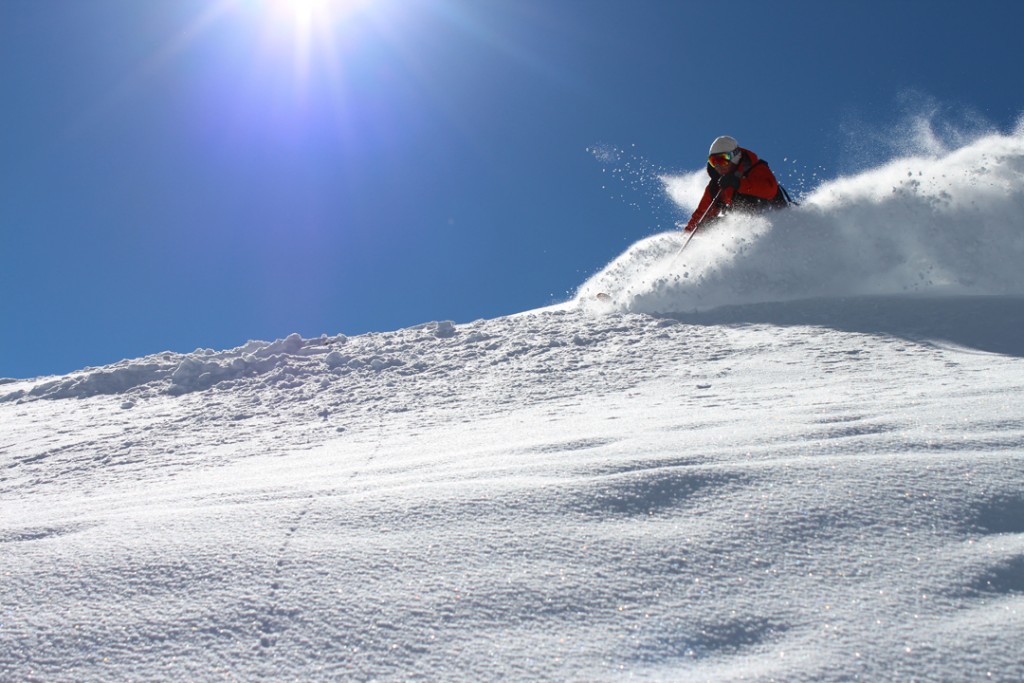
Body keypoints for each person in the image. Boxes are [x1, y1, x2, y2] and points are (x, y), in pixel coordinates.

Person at [683, 135, 789, 233]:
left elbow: (770, 190)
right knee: (711, 224)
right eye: (713, 161)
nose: (718, 166)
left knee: (742, 199)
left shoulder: (754, 168)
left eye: (722, 160)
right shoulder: (716, 186)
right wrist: (687, 234)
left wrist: (738, 184)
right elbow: (701, 214)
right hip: (745, 226)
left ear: (735, 157)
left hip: (774, 216)